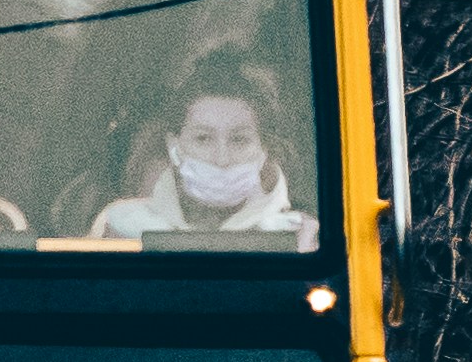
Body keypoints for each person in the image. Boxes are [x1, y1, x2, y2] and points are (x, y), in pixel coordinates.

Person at [88, 69, 316, 251]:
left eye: (239, 140)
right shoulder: (120, 223)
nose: (222, 158)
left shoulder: (300, 234)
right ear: (174, 146)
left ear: (264, 148)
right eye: (203, 138)